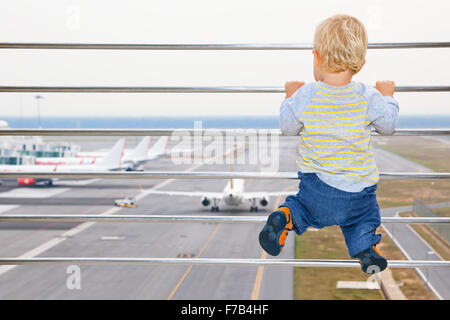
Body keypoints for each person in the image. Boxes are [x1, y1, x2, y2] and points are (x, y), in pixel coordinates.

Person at [258, 14, 399, 274]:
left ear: (317, 57)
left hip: (317, 192)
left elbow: (288, 128)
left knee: (301, 206)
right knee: (365, 218)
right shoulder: (368, 96)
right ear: (361, 64)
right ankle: (365, 249)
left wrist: (289, 97)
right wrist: (388, 96)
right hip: (358, 195)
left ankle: (286, 217)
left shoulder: (306, 95)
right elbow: (388, 126)